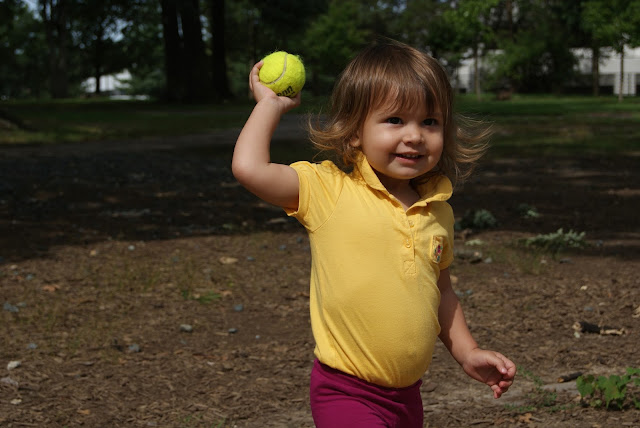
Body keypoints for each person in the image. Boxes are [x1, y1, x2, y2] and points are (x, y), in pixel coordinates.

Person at [232, 38, 516, 428]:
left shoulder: (437, 210)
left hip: (407, 397)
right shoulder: (329, 191)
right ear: (354, 131)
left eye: (429, 121)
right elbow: (249, 169)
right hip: (345, 391)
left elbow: (442, 293)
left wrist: (467, 352)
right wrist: (269, 105)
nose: (414, 135)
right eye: (395, 120)